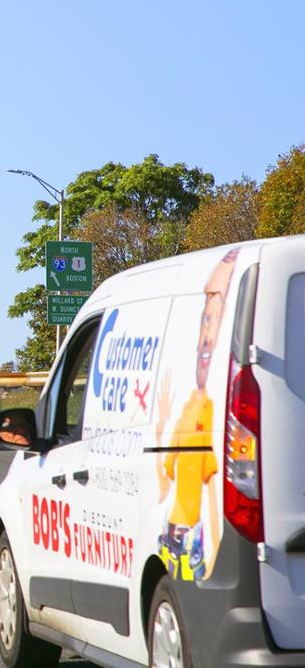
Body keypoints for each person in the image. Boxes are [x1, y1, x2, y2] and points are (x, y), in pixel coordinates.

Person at [156, 248, 239, 582]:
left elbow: (218, 498)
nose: (207, 336)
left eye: (217, 319)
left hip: (192, 541)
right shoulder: (188, 405)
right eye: (206, 317)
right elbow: (164, 482)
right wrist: (160, 426)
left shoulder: (211, 412)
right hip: (169, 535)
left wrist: (216, 554)